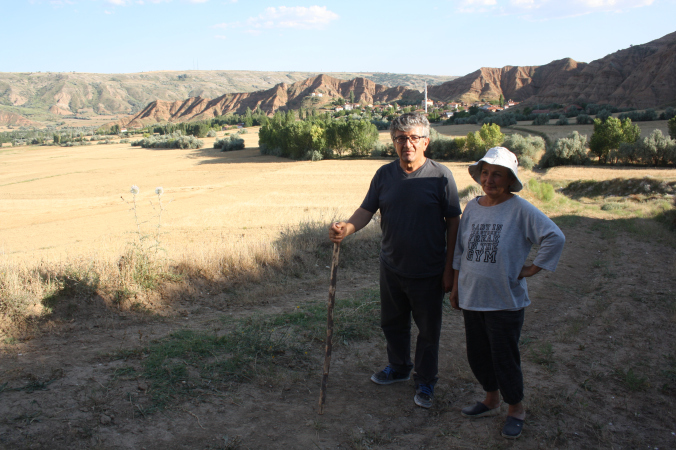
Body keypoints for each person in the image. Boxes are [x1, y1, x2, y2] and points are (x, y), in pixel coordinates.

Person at [329, 112, 461, 409]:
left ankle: (426, 380)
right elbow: (366, 210)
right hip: (391, 267)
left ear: (426, 142)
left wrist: (450, 269)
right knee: (392, 323)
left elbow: (454, 222)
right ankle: (399, 367)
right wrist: (346, 229)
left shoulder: (441, 177)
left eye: (414, 138)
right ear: (394, 143)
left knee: (428, 331)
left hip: (428, 271)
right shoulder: (384, 175)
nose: (407, 144)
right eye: (401, 138)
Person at [449, 147, 565, 439]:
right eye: (485, 173)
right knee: (478, 355)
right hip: (473, 297)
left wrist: (532, 269)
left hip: (504, 301)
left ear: (510, 180)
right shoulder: (472, 207)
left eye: (497, 175)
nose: (490, 180)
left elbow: (554, 236)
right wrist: (455, 285)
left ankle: (516, 409)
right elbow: (461, 250)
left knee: (504, 358)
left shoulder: (520, 209)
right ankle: (491, 399)